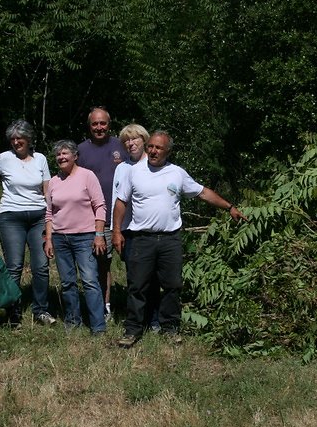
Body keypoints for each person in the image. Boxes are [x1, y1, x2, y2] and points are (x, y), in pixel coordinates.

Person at [112, 131, 246, 348]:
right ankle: (132, 330)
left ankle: (170, 328)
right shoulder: (134, 172)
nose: (153, 151)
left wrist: (229, 207)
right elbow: (121, 202)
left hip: (170, 240)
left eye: (159, 148)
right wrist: (116, 232)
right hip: (141, 239)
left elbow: (202, 193)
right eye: (151, 147)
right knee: (137, 286)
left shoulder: (177, 173)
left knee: (172, 285)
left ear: (168, 151)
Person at [0, 120, 56, 325]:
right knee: (14, 266)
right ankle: (13, 313)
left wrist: (51, 217)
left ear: (29, 139)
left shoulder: (40, 159)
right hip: (11, 217)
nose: (16, 141)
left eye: (20, 138)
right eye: (12, 138)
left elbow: (47, 190)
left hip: (38, 216)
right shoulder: (4, 158)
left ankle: (41, 311)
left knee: (41, 266)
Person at [43, 140, 107, 334]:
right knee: (67, 282)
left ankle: (98, 325)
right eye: (58, 155)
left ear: (75, 156)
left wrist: (99, 234)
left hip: (85, 237)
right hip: (61, 238)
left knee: (89, 280)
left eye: (65, 154)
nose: (61, 157)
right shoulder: (54, 181)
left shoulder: (87, 176)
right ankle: (73, 321)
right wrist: (49, 238)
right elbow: (49, 213)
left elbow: (100, 206)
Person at [77, 106, 127, 321]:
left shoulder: (122, 146)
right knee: (101, 265)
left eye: (103, 123)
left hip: (127, 218)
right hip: (96, 220)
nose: (99, 127)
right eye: (95, 124)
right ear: (89, 126)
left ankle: (137, 308)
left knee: (134, 264)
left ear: (109, 124)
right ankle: (105, 306)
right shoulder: (80, 150)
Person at [111, 123, 160, 331]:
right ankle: (137, 321)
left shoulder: (156, 165)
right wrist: (117, 231)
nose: (130, 144)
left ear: (145, 140)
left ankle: (155, 320)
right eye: (126, 141)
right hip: (130, 231)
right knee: (135, 279)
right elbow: (116, 201)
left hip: (154, 232)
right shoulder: (121, 169)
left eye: (135, 139)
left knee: (154, 278)